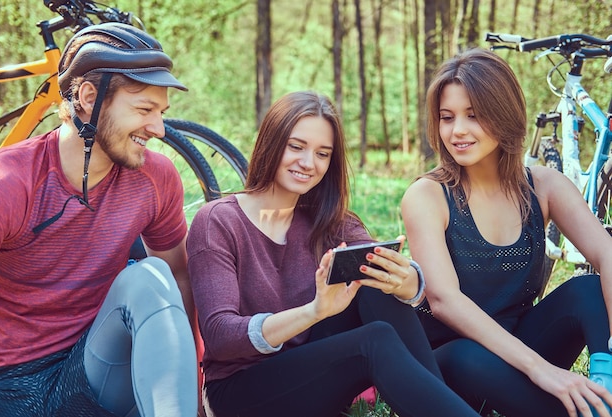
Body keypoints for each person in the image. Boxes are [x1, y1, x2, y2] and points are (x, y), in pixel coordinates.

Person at [187, 90, 482, 417]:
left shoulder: (329, 221)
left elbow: (407, 287)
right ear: (271, 143)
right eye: (296, 147)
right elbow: (221, 337)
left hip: (310, 378)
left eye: (323, 154)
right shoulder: (219, 221)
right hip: (238, 391)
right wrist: (314, 311)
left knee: (375, 283)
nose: (308, 163)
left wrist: (404, 279)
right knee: (374, 341)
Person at [0, 23, 198, 416]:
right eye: (144, 110)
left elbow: (179, 280)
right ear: (88, 97)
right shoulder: (3, 183)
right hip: (1, 388)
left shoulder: (156, 178)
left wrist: (197, 382)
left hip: (92, 372)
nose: (159, 129)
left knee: (151, 277)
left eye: (162, 112)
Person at [400, 47, 612, 417]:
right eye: (447, 118)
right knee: (465, 356)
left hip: (521, 347)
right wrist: (542, 370)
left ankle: (604, 389)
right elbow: (445, 302)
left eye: (474, 115)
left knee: (587, 289)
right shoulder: (428, 196)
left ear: (504, 114)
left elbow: (606, 254)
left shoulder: (545, 187)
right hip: (456, 362)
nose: (458, 130)